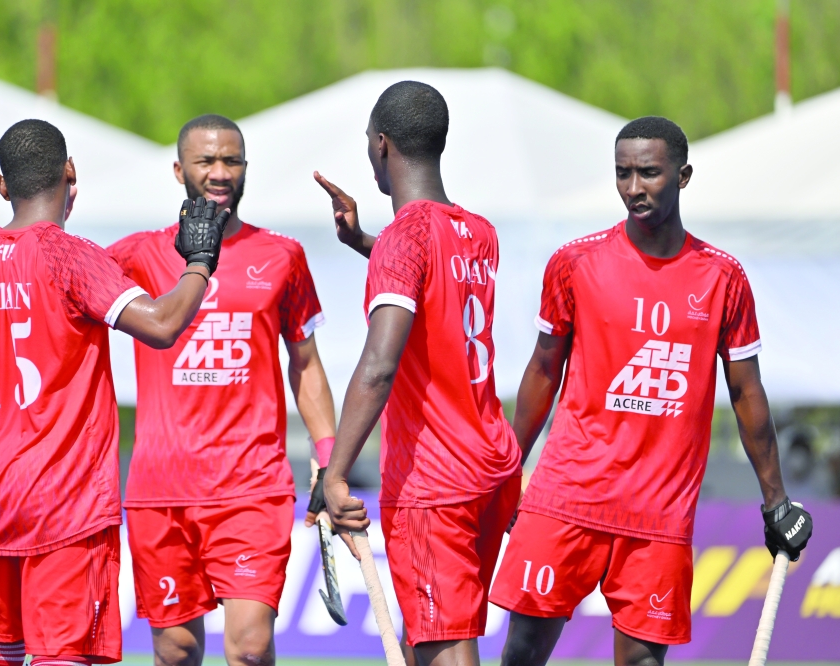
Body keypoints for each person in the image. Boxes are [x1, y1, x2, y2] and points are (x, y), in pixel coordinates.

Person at [489, 116, 814, 666]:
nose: (633, 188)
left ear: (683, 177)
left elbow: (746, 393)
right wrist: (506, 471)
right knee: (522, 652)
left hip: (660, 513)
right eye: (623, 174)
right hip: (567, 495)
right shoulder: (574, 262)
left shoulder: (723, 278)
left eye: (648, 173)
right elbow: (543, 370)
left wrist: (775, 500)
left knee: (642, 662)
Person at [0, 119, 228, 666]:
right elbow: (162, 325)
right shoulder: (70, 255)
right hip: (64, 506)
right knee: (63, 656)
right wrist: (199, 262)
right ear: (70, 172)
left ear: (3, 185)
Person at [107, 114, 336, 666]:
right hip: (161, 489)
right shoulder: (135, 255)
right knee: (176, 651)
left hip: (252, 485)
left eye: (231, 161)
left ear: (245, 168)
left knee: (251, 649)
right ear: (178, 170)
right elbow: (64, 300)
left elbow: (305, 363)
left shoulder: (282, 255)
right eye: (206, 160)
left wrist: (330, 458)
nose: (220, 172)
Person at [314, 81, 522, 666]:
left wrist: (336, 473)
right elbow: (431, 284)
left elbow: (379, 366)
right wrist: (364, 243)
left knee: (445, 646)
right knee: (425, 636)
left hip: (437, 482)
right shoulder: (479, 232)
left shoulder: (404, 239)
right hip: (491, 470)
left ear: (382, 144)